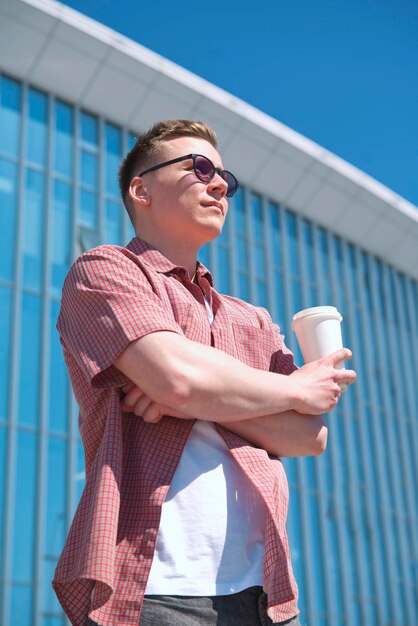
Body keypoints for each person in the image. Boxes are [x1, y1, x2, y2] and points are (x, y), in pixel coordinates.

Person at [52, 119, 356, 626]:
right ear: (141, 189)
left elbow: (308, 435)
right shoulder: (105, 270)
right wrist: (288, 388)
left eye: (226, 178)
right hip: (153, 591)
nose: (220, 185)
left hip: (265, 596)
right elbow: (179, 379)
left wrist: (185, 399)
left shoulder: (252, 320)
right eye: (199, 168)